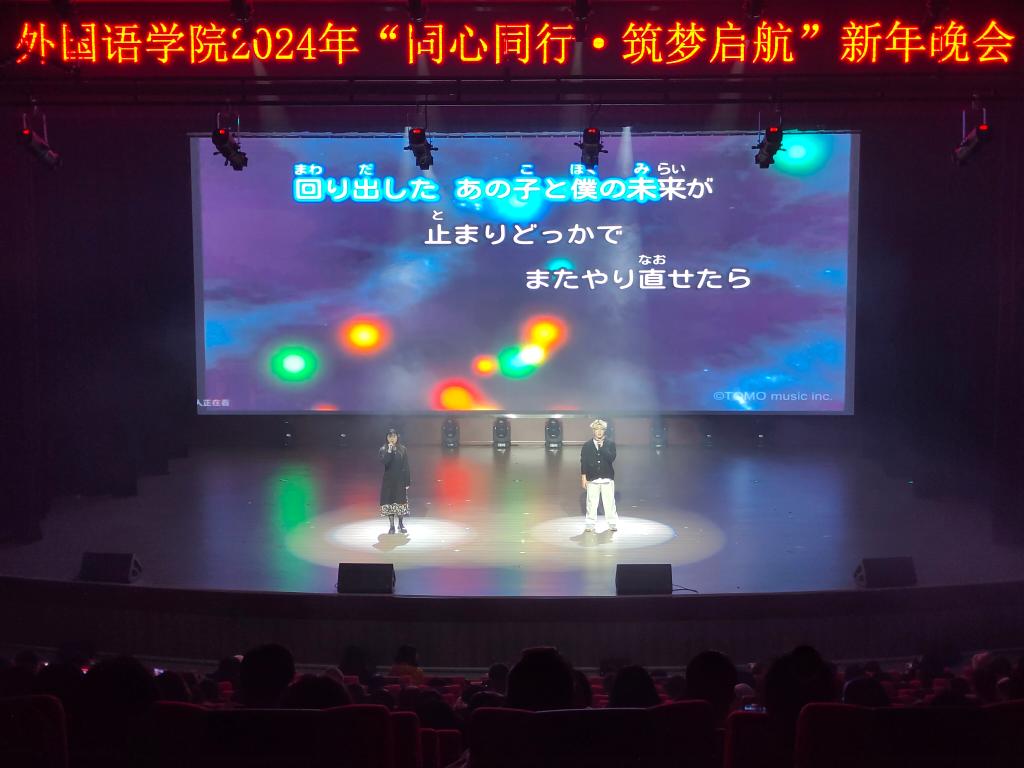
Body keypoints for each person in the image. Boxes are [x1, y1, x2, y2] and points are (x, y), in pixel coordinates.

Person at [580, 418, 618, 533]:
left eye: (601, 429)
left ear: (605, 430)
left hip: (607, 478)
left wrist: (602, 448)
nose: (599, 432)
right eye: (597, 429)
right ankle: (590, 523)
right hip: (592, 478)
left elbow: (611, 458)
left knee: (609, 502)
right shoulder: (587, 445)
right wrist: (583, 477)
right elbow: (584, 462)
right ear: (593, 431)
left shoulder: (610, 444)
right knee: (591, 502)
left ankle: (612, 523)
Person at [379, 428, 411, 534]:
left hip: (400, 480)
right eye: (390, 436)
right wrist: (389, 451)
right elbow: (385, 462)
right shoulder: (383, 449)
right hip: (388, 481)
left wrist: (407, 481)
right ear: (387, 438)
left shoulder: (403, 449)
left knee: (400, 502)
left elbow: (406, 466)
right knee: (389, 502)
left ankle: (400, 524)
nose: (392, 438)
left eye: (394, 436)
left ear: (397, 437)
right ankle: (391, 525)